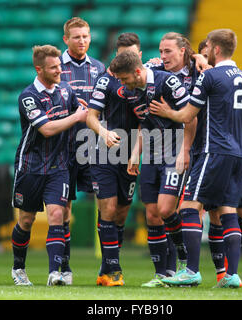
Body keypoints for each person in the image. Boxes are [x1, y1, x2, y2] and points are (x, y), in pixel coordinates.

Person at [150, 28, 242, 288]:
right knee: (228, 210)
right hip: (239, 155)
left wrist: (168, 111)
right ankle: (231, 275)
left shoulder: (209, 77)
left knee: (189, 208)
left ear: (215, 49)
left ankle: (191, 270)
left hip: (212, 151)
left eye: (207, 48)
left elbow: (186, 117)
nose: (203, 52)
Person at [110, 50, 196, 288]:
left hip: (173, 151)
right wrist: (136, 153)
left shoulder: (166, 81)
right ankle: (163, 274)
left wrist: (184, 151)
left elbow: (192, 117)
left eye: (124, 78)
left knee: (166, 209)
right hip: (150, 154)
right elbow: (143, 123)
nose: (122, 84)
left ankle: (184, 263)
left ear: (137, 72)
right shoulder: (130, 91)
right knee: (152, 214)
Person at [11, 45, 88, 286]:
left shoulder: (66, 90)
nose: (60, 71)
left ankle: (56, 272)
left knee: (58, 214)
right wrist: (77, 117)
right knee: (26, 220)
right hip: (30, 166)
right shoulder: (28, 97)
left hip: (59, 166)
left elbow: (86, 112)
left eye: (60, 66)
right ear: (39, 69)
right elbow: (46, 129)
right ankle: (18, 268)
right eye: (54, 68)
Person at [86, 33, 141, 286]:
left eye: (132, 53)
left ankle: (105, 266)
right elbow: (91, 116)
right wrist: (104, 132)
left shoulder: (146, 81)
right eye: (123, 54)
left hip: (132, 154)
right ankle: (114, 269)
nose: (127, 58)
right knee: (107, 209)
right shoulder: (105, 81)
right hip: (105, 151)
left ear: (139, 54)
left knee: (120, 214)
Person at [60, 17, 106, 284]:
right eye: (76, 37)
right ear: (66, 39)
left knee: (105, 204)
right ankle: (63, 266)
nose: (82, 41)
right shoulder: (55, 67)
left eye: (86, 36)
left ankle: (108, 265)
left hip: (93, 147)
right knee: (63, 208)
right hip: (64, 148)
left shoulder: (98, 68)